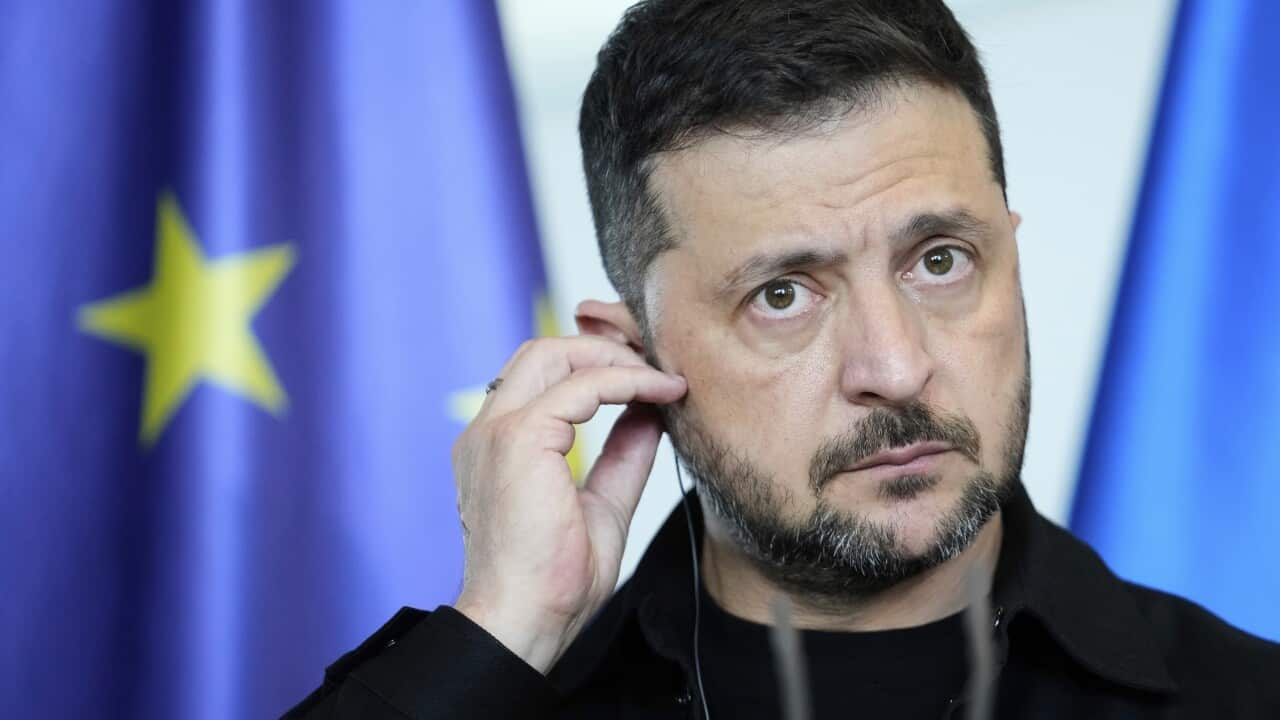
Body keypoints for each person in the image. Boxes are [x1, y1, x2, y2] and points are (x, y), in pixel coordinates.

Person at [287, 1, 1280, 717]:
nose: (893, 369)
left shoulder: (1240, 696)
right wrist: (503, 630)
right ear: (629, 353)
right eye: (781, 294)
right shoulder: (508, 695)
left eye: (938, 260)